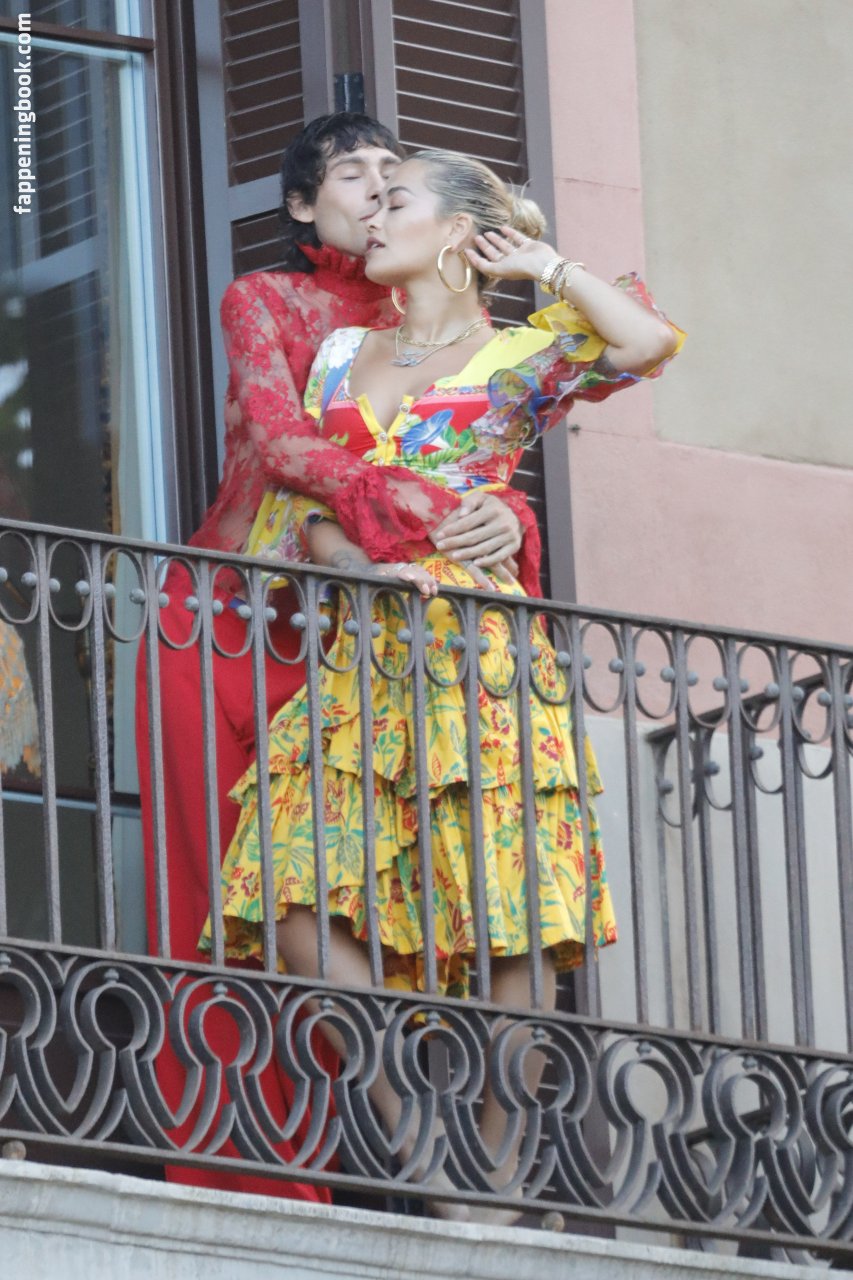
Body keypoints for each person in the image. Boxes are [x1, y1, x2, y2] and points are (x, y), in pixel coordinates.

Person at [198, 149, 683, 1218]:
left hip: (480, 651)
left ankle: (494, 1176)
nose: (373, 217)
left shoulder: (522, 349)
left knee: (512, 906)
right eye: (368, 200)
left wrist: (546, 267)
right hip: (364, 648)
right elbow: (304, 509)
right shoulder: (340, 354)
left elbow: (647, 342)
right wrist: (356, 563)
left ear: (460, 232)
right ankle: (414, 1123)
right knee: (284, 885)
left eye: (397, 199)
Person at [134, 115, 539, 1202]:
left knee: (443, 885)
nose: (374, 189)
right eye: (349, 174)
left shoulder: (443, 322)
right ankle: (260, 1172)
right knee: (241, 887)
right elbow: (282, 444)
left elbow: (489, 451)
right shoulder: (268, 301)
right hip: (237, 619)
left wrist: (502, 515)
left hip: (382, 631)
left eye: (391, 176)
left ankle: (452, 1149)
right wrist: (412, 510)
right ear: (304, 207)